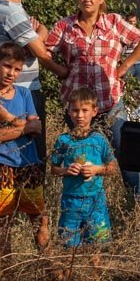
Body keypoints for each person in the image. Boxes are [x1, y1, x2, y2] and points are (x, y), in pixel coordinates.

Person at [45, 0, 140, 196]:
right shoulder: (65, 26)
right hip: (78, 108)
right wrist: (60, 70)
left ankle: (137, 202)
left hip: (110, 103)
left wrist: (125, 65)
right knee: (81, 155)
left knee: (125, 154)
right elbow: (45, 52)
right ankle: (86, 201)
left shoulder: (114, 23)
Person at [0, 42, 50, 262]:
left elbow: (37, 127)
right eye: (7, 66)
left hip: (29, 162)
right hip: (0, 163)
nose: (11, 73)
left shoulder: (24, 93)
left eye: (17, 69)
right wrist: (26, 127)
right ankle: (7, 272)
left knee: (39, 217)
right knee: (3, 221)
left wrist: (9, 118)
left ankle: (47, 265)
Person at [0, 0, 67, 162]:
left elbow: (30, 46)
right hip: (21, 89)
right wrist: (62, 72)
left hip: (18, 88)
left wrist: (34, 37)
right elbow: (40, 51)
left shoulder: (4, 7)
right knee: (29, 152)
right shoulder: (11, 12)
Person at [50, 88, 117, 260]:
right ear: (69, 111)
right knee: (68, 246)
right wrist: (66, 170)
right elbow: (53, 169)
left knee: (96, 246)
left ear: (94, 111)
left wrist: (96, 169)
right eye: (75, 110)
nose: (80, 115)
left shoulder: (99, 140)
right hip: (70, 201)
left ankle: (95, 277)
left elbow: (112, 167)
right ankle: (70, 277)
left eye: (84, 110)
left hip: (96, 201)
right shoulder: (63, 140)